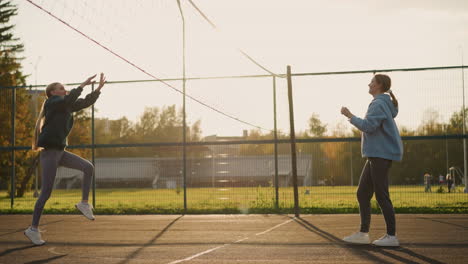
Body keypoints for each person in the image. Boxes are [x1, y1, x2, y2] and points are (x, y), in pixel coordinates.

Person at [24, 73, 106, 246]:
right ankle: (33, 229)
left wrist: (98, 89)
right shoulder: (52, 103)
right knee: (46, 192)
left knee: (88, 167)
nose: (64, 89)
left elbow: (84, 102)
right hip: (49, 153)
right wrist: (83, 84)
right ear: (53, 93)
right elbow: (69, 100)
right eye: (61, 88)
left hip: (60, 152)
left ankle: (84, 203)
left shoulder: (65, 106)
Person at [340, 74, 403, 247]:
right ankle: (363, 233)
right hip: (376, 155)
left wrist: (350, 115)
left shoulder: (378, 104)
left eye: (372, 82)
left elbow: (369, 126)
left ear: (379, 85)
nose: (369, 84)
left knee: (382, 195)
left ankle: (391, 236)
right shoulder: (383, 103)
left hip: (380, 155)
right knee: (362, 193)